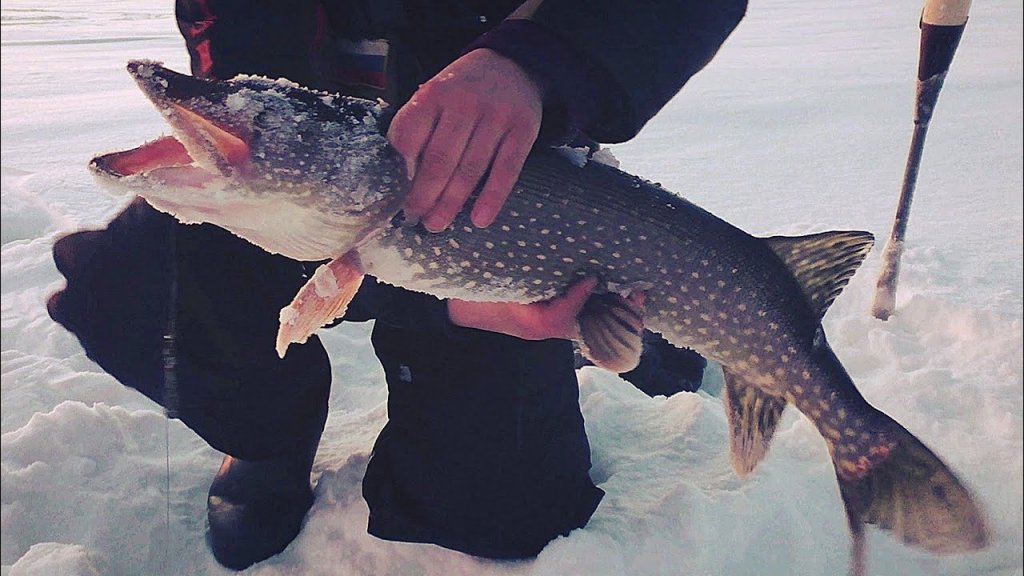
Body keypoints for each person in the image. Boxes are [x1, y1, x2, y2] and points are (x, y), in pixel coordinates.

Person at [47, 0, 744, 570]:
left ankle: (612, 316)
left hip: (502, 210)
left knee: (497, 518)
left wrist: (539, 57)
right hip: (324, 193)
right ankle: (266, 438)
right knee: (125, 290)